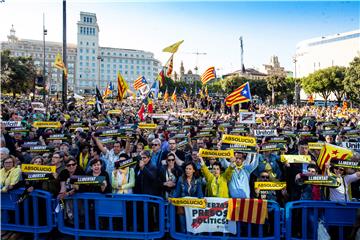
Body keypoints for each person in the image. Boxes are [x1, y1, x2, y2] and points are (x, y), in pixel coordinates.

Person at [172, 161, 203, 233]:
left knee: (193, 227)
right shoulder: (180, 179)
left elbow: (200, 194)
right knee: (183, 226)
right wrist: (172, 198)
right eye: (186, 169)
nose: (187, 170)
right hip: (182, 207)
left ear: (193, 170)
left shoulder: (198, 180)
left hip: (193, 208)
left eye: (189, 169)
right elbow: (177, 192)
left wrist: (202, 200)